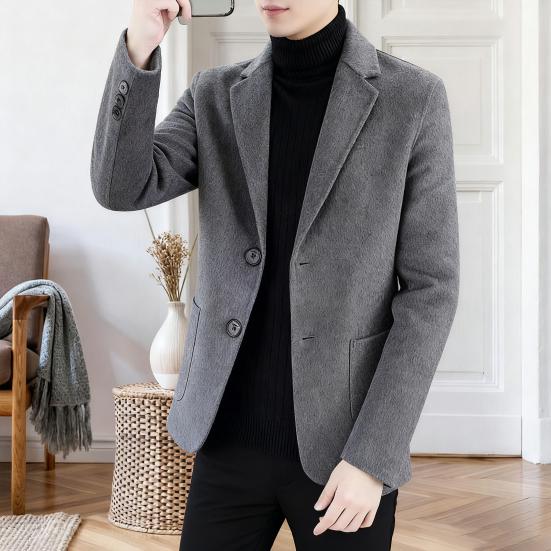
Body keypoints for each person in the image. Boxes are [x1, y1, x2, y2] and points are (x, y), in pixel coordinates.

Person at [90, 0, 460, 549]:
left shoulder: (413, 99)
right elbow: (120, 187)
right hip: (227, 439)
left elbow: (432, 291)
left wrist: (372, 457)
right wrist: (139, 47)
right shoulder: (215, 94)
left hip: (345, 452)